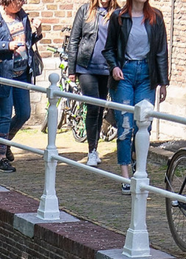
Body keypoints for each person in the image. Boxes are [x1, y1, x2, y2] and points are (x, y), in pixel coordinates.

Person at [102, 0, 168, 194]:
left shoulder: (156, 17)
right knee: (125, 125)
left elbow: (161, 52)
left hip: (147, 75)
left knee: (144, 125)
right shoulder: (119, 17)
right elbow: (109, 48)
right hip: (124, 73)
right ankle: (125, 175)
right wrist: (114, 66)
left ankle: (140, 171)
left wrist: (163, 82)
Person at [0, 0, 42, 173]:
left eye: (22, 1)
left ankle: (5, 143)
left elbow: (28, 41)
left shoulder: (22, 16)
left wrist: (38, 31)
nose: (21, 4)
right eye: (17, 2)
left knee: (24, 113)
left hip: (21, 75)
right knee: (5, 115)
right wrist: (7, 46)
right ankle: (0, 158)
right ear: (7, 2)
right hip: (2, 74)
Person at [68, 0, 120, 167]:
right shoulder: (85, 11)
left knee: (100, 108)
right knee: (92, 107)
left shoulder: (117, 12)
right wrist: (71, 70)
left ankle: (95, 147)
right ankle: (91, 151)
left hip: (107, 68)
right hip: (86, 66)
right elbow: (74, 39)